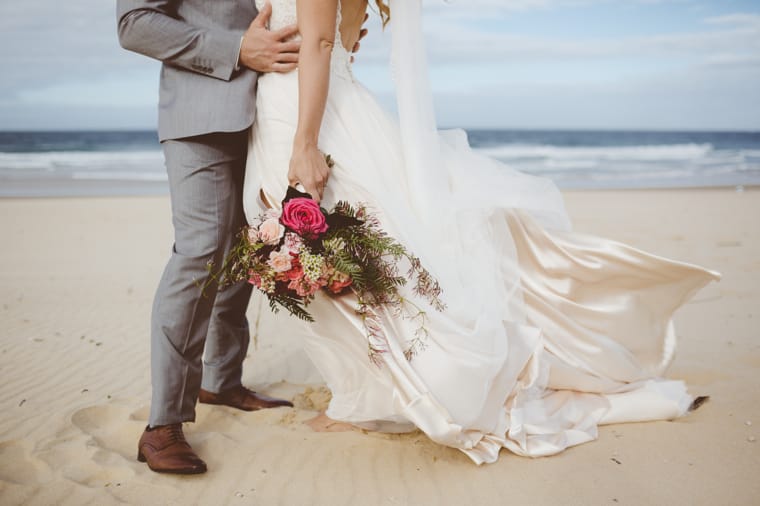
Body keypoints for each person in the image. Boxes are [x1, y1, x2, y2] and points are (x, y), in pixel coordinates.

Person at [243, 0, 721, 465]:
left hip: (308, 117)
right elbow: (340, 41)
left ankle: (382, 398)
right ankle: (366, 396)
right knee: (354, 261)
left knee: (357, 263)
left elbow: (323, 44)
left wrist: (305, 142)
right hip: (315, 106)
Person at [116, 0, 318, 475]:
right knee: (201, 252)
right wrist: (235, 49)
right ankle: (162, 424)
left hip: (277, 117)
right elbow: (134, 24)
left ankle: (222, 381)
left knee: (250, 249)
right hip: (201, 110)